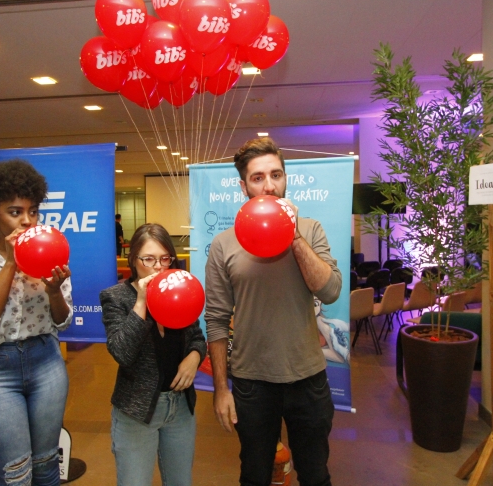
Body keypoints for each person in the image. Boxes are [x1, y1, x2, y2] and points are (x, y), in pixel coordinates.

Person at [204, 137, 342, 486]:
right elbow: (217, 320)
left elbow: (330, 290)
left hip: (307, 377)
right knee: (254, 475)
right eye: (258, 178)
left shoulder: (310, 230)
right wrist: (221, 389)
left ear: (285, 178)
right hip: (252, 382)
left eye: (276, 175)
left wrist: (293, 236)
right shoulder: (224, 244)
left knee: (314, 475)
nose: (269, 185)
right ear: (243, 186)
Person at [0, 159, 73, 486]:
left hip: (45, 361)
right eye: (15, 212)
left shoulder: (50, 251)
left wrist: (54, 292)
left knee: (47, 465)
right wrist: (11, 262)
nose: (27, 220)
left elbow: (63, 322)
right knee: (14, 475)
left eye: (32, 211)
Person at [99, 223, 207, 486]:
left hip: (180, 407)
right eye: (148, 259)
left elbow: (196, 338)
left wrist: (194, 357)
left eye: (164, 259)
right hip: (137, 411)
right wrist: (143, 302)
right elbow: (122, 352)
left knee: (180, 481)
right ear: (134, 260)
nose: (158, 267)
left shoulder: (180, 291)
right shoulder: (116, 297)